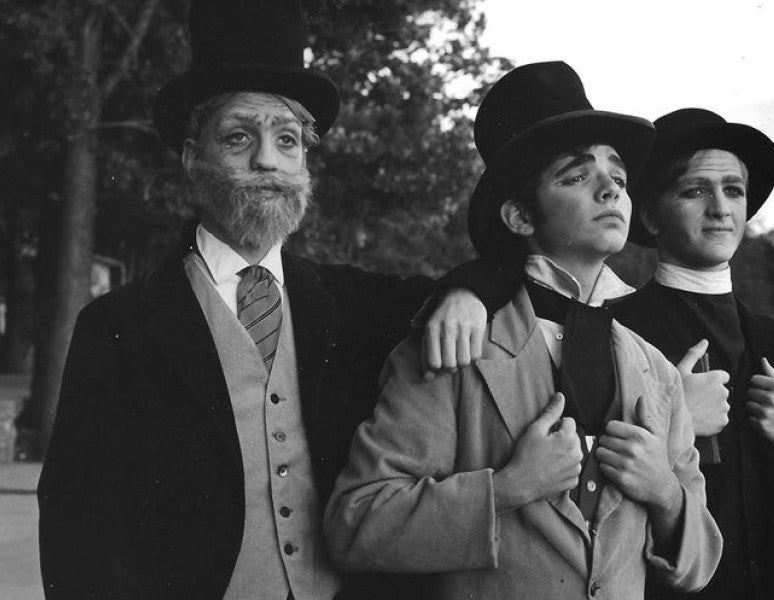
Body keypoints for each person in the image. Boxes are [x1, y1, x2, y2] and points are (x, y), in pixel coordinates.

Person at [37, 2, 513, 599]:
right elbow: (78, 527)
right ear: (192, 158)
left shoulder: (354, 301)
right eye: (239, 137)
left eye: (287, 140)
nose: (266, 159)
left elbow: (501, 269)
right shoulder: (117, 325)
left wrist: (469, 291)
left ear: (304, 163)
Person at [324, 62, 722, 600]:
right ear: (518, 217)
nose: (611, 189)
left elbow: (699, 568)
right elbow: (356, 527)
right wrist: (509, 488)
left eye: (620, 178)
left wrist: (666, 493)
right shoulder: (455, 344)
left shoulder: (656, 369)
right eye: (576, 176)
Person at [612, 108, 774, 600]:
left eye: (733, 190)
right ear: (649, 215)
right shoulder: (614, 332)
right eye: (694, 190)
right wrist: (675, 416)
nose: (720, 208)